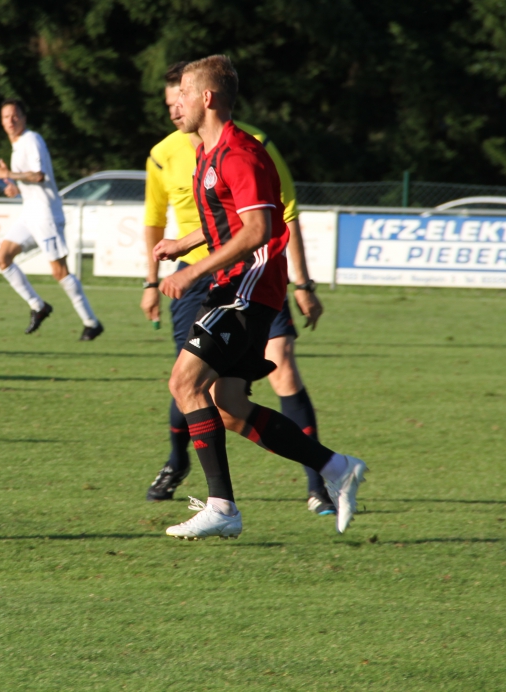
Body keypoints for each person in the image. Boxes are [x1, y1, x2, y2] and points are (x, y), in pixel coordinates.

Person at [153, 56, 366, 538]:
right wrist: (183, 244)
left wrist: (193, 272)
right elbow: (226, 223)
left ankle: (222, 508)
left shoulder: (239, 153)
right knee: (228, 405)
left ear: (207, 98)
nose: (175, 103)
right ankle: (337, 468)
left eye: (183, 94)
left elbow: (258, 229)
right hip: (235, 284)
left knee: (184, 383)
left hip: (247, 285)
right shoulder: (207, 154)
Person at [0, 98, 103, 341]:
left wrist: (8, 173)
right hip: (30, 214)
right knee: (2, 258)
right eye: (5, 117)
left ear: (24, 117)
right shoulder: (17, 146)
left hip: (45, 215)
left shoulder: (31, 139)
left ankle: (91, 322)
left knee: (60, 272)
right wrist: (15, 189)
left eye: (15, 115)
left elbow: (39, 176)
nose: (10, 120)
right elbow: (31, 182)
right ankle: (38, 306)